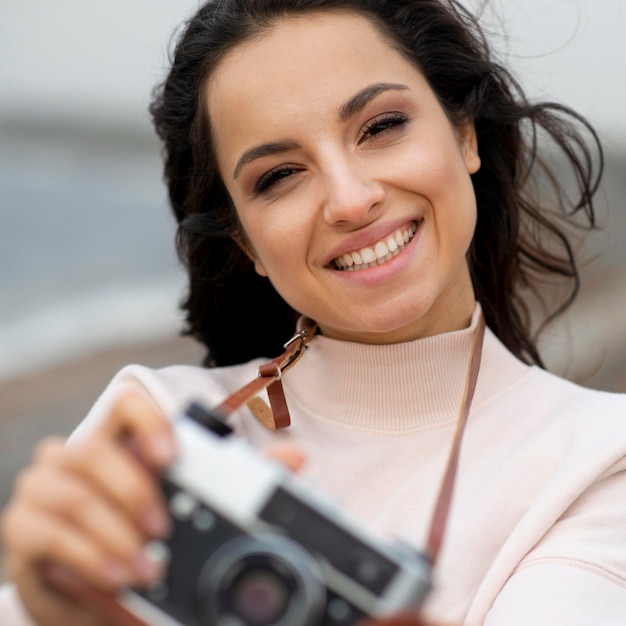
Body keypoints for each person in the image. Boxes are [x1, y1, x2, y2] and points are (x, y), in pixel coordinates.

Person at [1, 0, 625, 624]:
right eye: (279, 176)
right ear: (247, 242)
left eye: (381, 127)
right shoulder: (157, 431)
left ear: (464, 134)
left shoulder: (598, 458)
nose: (350, 201)